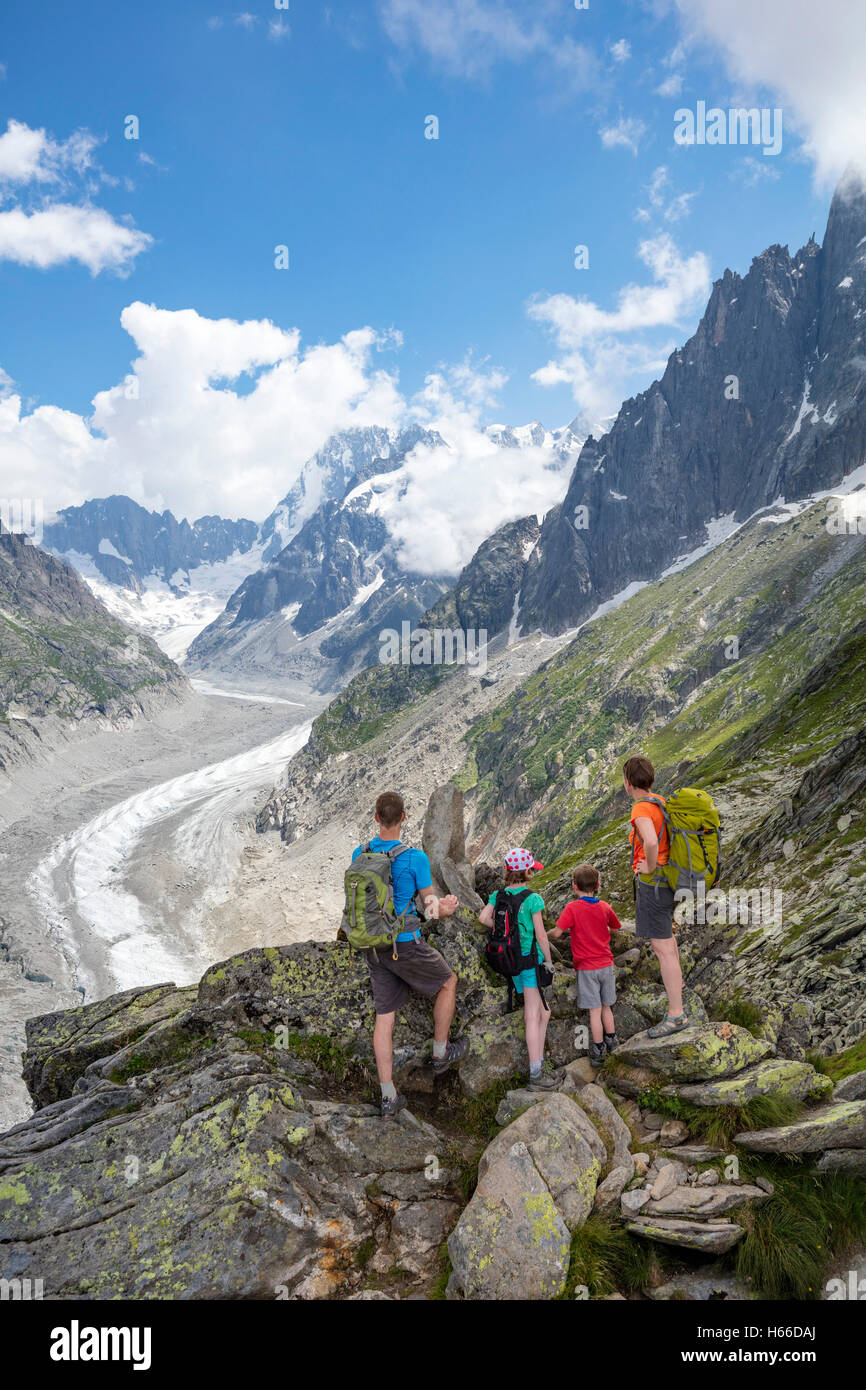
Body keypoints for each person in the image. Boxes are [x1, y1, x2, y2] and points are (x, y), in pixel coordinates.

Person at [353, 791, 468, 1118]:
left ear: (376, 817)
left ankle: (388, 1096)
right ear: (404, 817)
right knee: (448, 982)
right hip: (405, 944)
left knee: (384, 1018)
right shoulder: (415, 858)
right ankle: (440, 1052)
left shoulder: (358, 853)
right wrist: (445, 907)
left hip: (374, 946)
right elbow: (431, 909)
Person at [478, 847, 556, 1090]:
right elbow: (541, 935)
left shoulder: (497, 895)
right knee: (533, 1013)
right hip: (529, 960)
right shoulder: (533, 899)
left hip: (508, 960)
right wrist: (549, 962)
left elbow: (483, 919)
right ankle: (536, 1074)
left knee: (544, 1012)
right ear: (528, 871)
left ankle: (539, 1064)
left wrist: (503, 931)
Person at [623, 754, 689, 1037]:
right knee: (668, 941)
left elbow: (650, 841)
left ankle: (676, 1015)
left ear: (628, 783)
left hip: (654, 883)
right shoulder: (659, 801)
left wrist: (649, 865)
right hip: (671, 880)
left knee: (661, 948)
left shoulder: (640, 809)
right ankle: (679, 989)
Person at [548, 864, 621, 1067]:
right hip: (606, 965)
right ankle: (613, 1041)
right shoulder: (605, 906)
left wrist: (542, 936)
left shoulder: (572, 908)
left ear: (574, 886)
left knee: (594, 1011)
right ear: (597, 886)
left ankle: (598, 1049)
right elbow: (616, 928)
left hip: (587, 969)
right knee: (607, 1007)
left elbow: (557, 932)